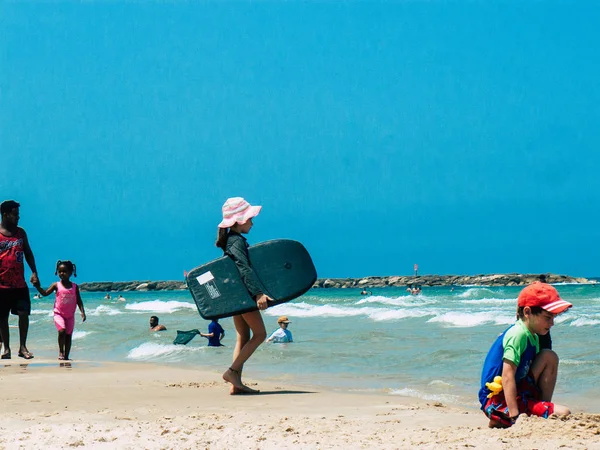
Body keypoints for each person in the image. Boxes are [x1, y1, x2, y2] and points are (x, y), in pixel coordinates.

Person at [479, 282, 572, 428]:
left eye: (554, 318)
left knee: (549, 356)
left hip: (518, 388)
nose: (552, 323)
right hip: (497, 398)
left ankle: (540, 408)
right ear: (527, 312)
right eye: (548, 317)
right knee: (564, 412)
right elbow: (507, 376)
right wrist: (515, 417)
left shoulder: (533, 335)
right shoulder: (518, 334)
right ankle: (505, 416)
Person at [215, 197, 271, 395]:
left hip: (235, 295)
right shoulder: (236, 241)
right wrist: (258, 294)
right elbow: (243, 267)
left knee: (243, 337)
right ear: (239, 221)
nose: (252, 222)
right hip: (244, 296)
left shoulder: (231, 240)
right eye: (249, 219)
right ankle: (231, 373)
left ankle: (235, 384)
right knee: (260, 334)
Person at [0, 200, 39, 360]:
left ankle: (22, 347)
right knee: (2, 317)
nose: (18, 217)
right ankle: (6, 348)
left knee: (24, 314)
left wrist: (34, 272)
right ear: (5, 214)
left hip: (19, 284)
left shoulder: (21, 233)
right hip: (1, 285)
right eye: (15, 214)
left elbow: (28, 253)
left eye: (18, 214)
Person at [33, 260, 86, 360]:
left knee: (69, 335)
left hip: (70, 316)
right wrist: (37, 286)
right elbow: (44, 293)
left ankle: (66, 357)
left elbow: (79, 300)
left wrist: (82, 312)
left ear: (70, 272)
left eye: (64, 271)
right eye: (59, 271)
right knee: (62, 331)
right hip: (59, 314)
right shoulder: (56, 285)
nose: (61, 273)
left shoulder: (74, 287)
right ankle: (61, 351)